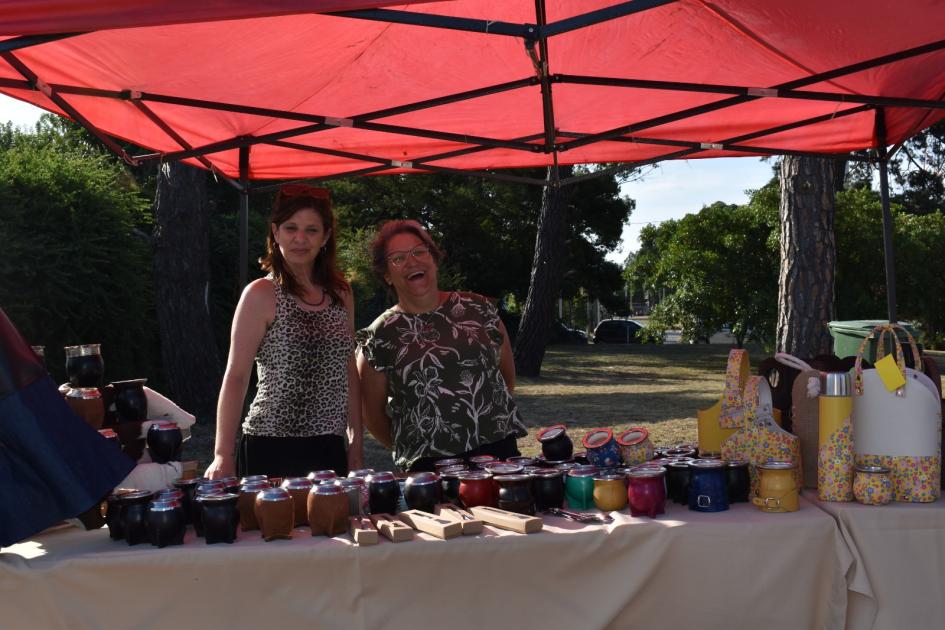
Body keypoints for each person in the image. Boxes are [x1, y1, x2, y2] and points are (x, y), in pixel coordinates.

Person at [205, 184, 361, 480]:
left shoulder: (342, 294)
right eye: (291, 228)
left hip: (328, 447)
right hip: (269, 445)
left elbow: (349, 371)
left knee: (332, 527)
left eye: (311, 230)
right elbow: (237, 376)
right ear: (276, 233)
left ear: (326, 237)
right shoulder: (261, 293)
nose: (300, 239)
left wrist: (356, 447)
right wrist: (222, 455)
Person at [357, 220, 526, 472]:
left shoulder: (479, 309)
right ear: (386, 275)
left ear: (434, 259)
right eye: (398, 258)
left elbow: (505, 381)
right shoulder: (380, 335)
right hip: (429, 467)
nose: (412, 262)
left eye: (419, 251)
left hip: (498, 455)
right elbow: (373, 417)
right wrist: (417, 443)